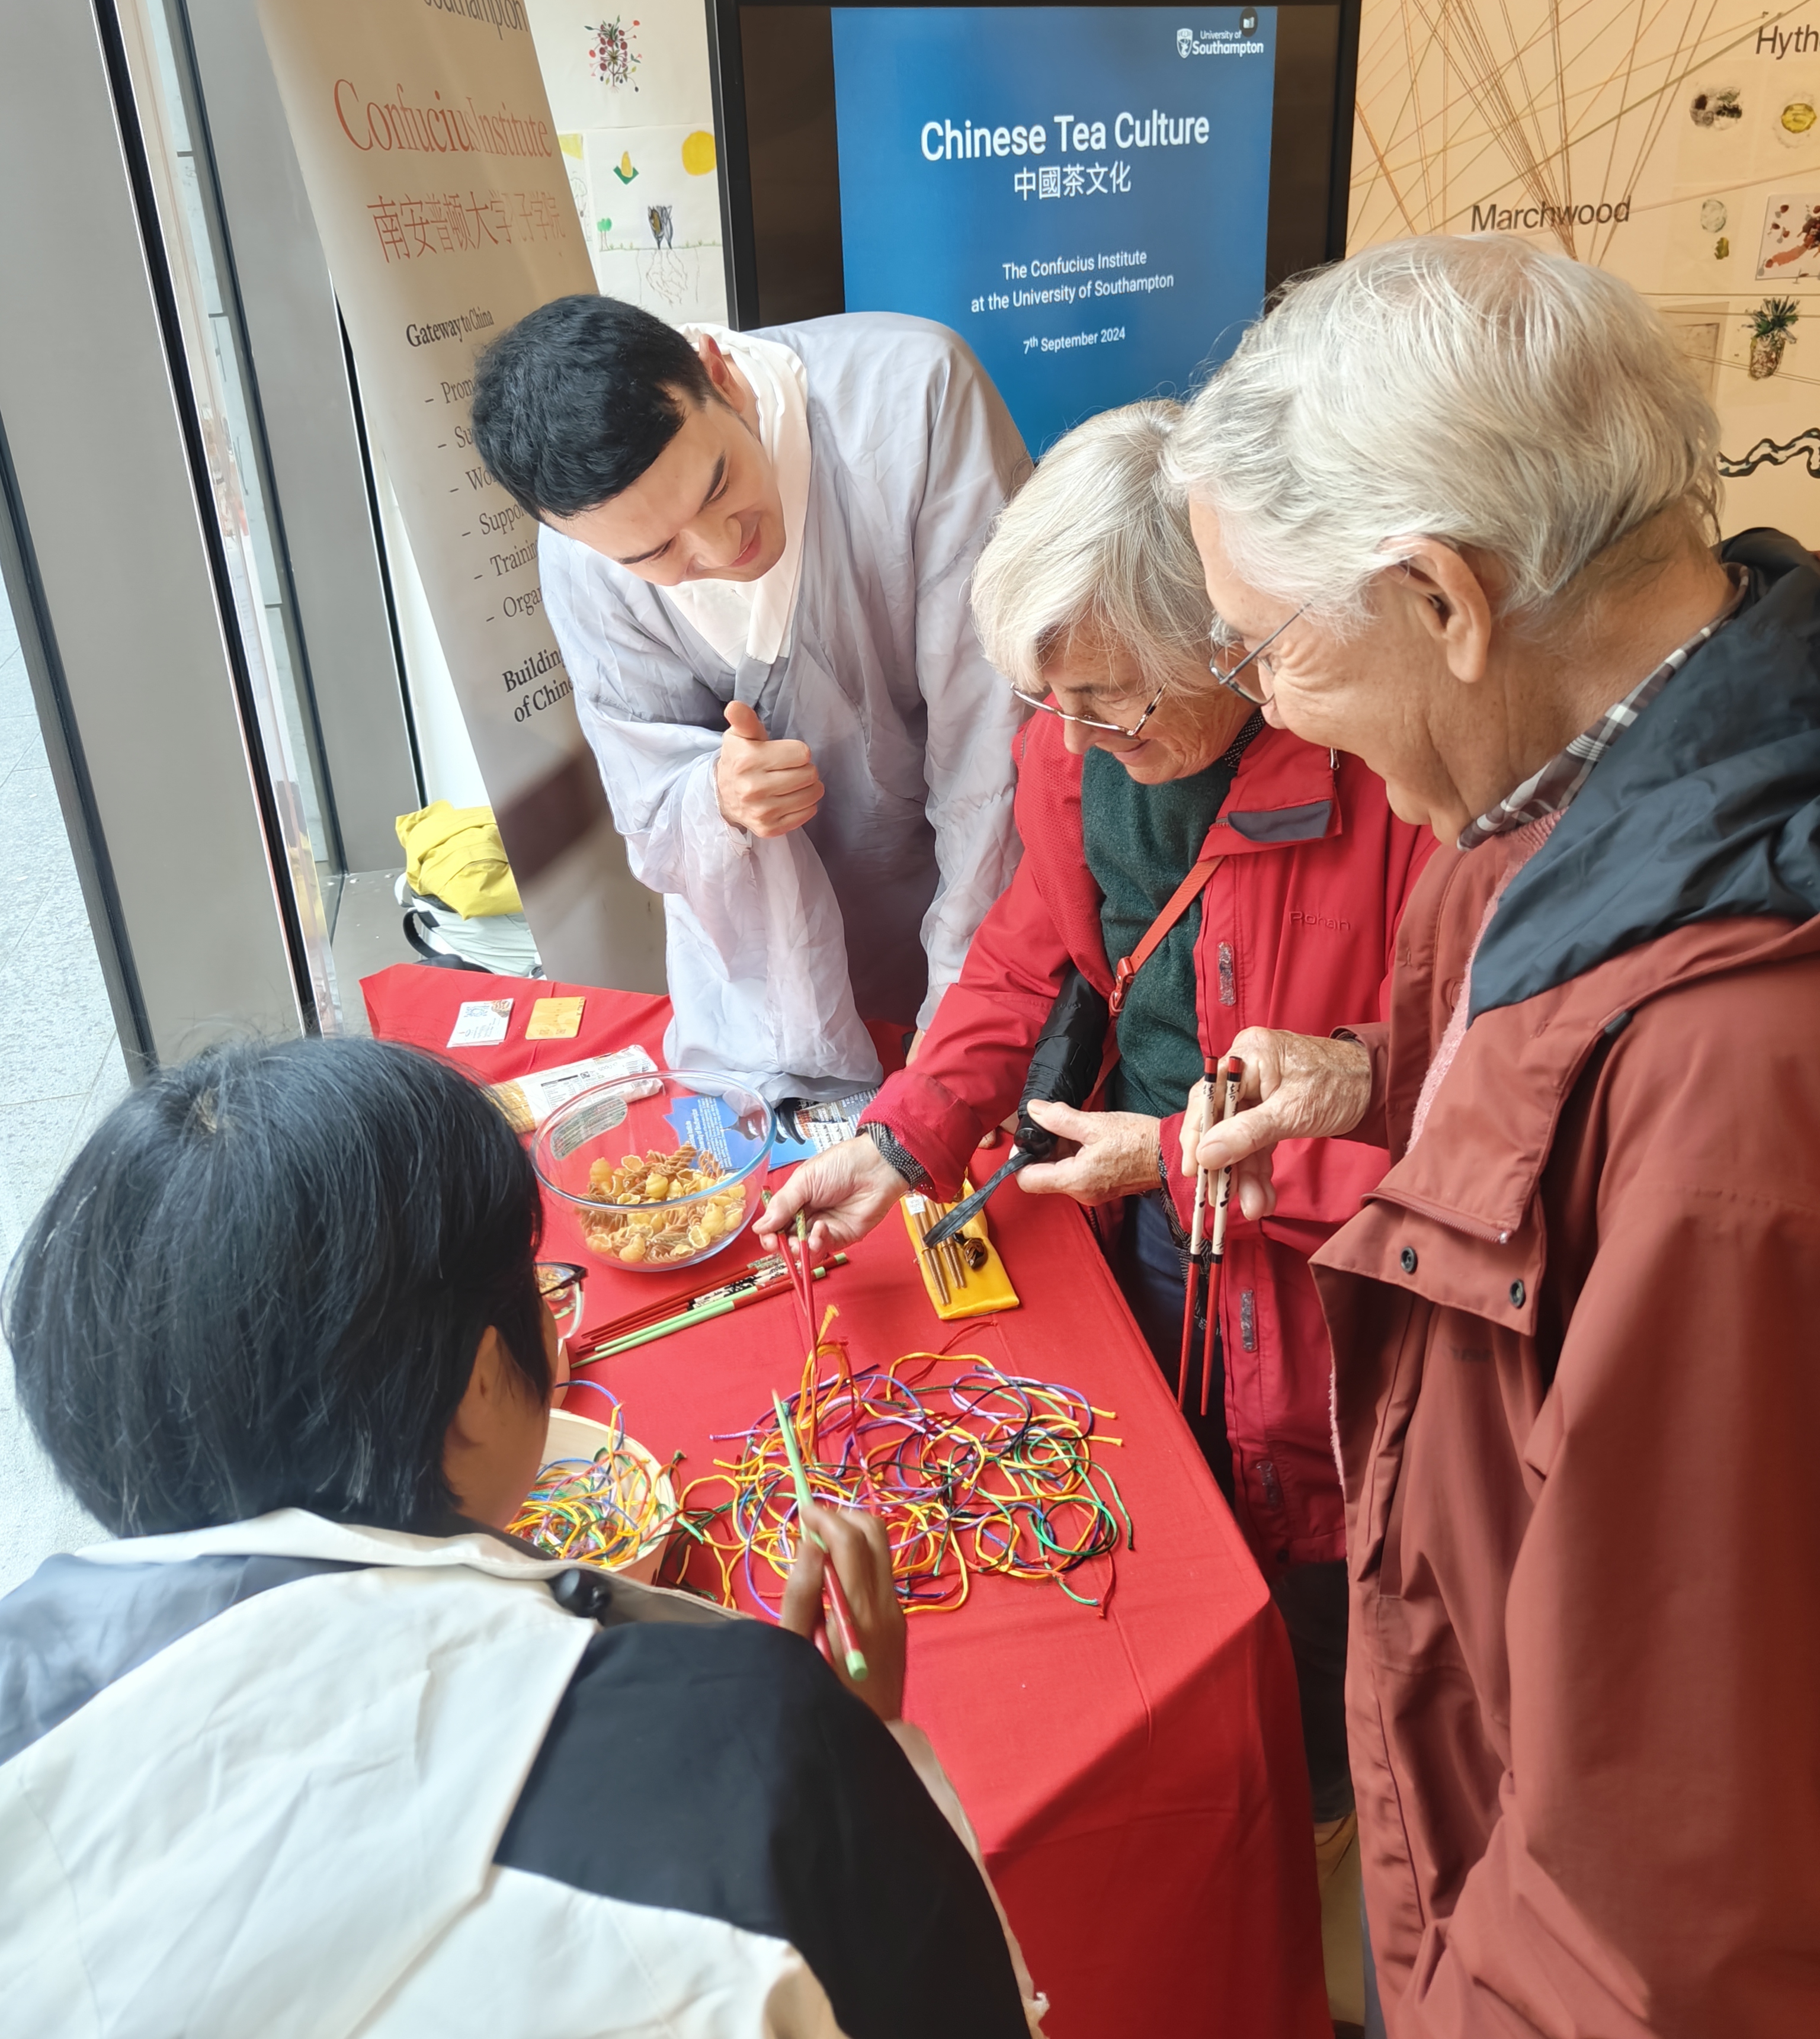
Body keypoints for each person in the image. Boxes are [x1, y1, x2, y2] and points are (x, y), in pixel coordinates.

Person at [1172, 233, 1820, 2035]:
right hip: (1471, 1826)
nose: (1267, 705)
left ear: (1445, 600)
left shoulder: (1738, 1081)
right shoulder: (1600, 781)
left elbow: (1681, 1863)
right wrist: (1374, 1078)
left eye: (1269, 652)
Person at [757, 402, 1433, 1980]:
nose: (1076, 735)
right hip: (1136, 1201)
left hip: (1312, 1267)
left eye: (1113, 703)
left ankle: (1306, 1851)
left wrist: (1205, 1161)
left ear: (1231, 639)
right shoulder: (1074, 742)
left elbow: (1448, 1096)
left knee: (1304, 1573)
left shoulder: (1384, 773)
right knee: (1146, 1531)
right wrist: (900, 1139)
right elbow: (1030, 953)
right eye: (1052, 704)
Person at [0, 1038, 1042, 2037]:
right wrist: (858, 1742)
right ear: (475, 1393)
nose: (556, 1317)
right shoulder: (759, 1761)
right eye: (540, 1283)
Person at [472, 298, 1028, 1098]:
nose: (723, 546)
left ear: (720, 377)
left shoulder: (916, 397)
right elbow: (651, 806)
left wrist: (964, 1026)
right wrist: (720, 797)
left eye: (718, 484)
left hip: (973, 889)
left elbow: (994, 740)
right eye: (659, 551)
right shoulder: (584, 562)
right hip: (778, 952)